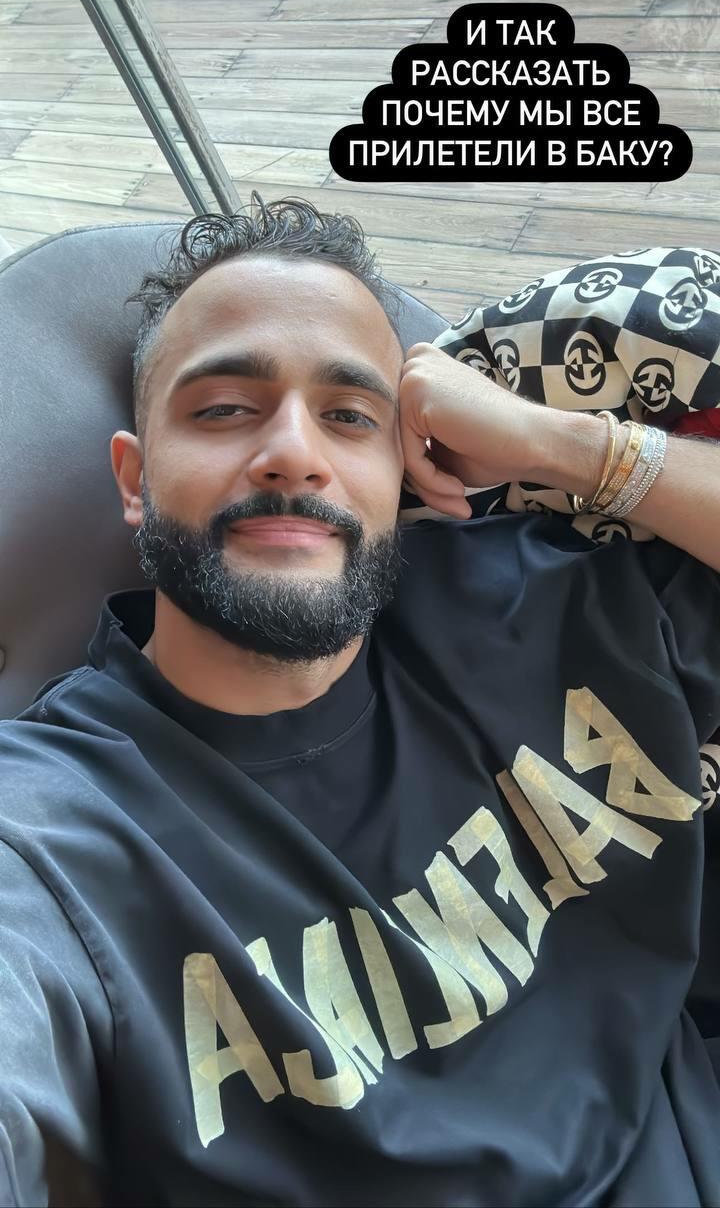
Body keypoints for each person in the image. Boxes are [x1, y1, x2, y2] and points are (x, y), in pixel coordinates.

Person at [1, 194, 719, 1208]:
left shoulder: (544, 604)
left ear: (406, 467)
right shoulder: (54, 831)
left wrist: (566, 446)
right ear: (135, 478)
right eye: (224, 409)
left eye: (351, 417)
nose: (294, 451)